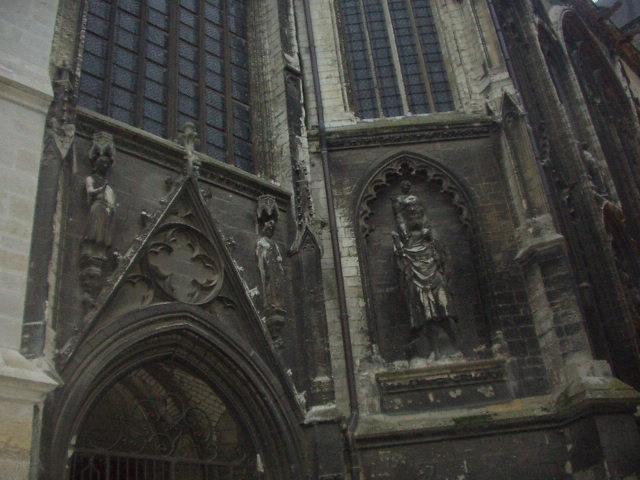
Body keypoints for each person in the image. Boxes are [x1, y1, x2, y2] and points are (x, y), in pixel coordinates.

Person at [392, 181, 459, 360]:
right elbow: (402, 266)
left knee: (445, 308)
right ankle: (435, 351)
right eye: (410, 211)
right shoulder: (402, 242)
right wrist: (401, 253)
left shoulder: (431, 237)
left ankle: (454, 348)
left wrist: (434, 246)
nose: (414, 213)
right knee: (427, 314)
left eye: (417, 210)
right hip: (417, 278)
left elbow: (444, 259)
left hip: (434, 275)